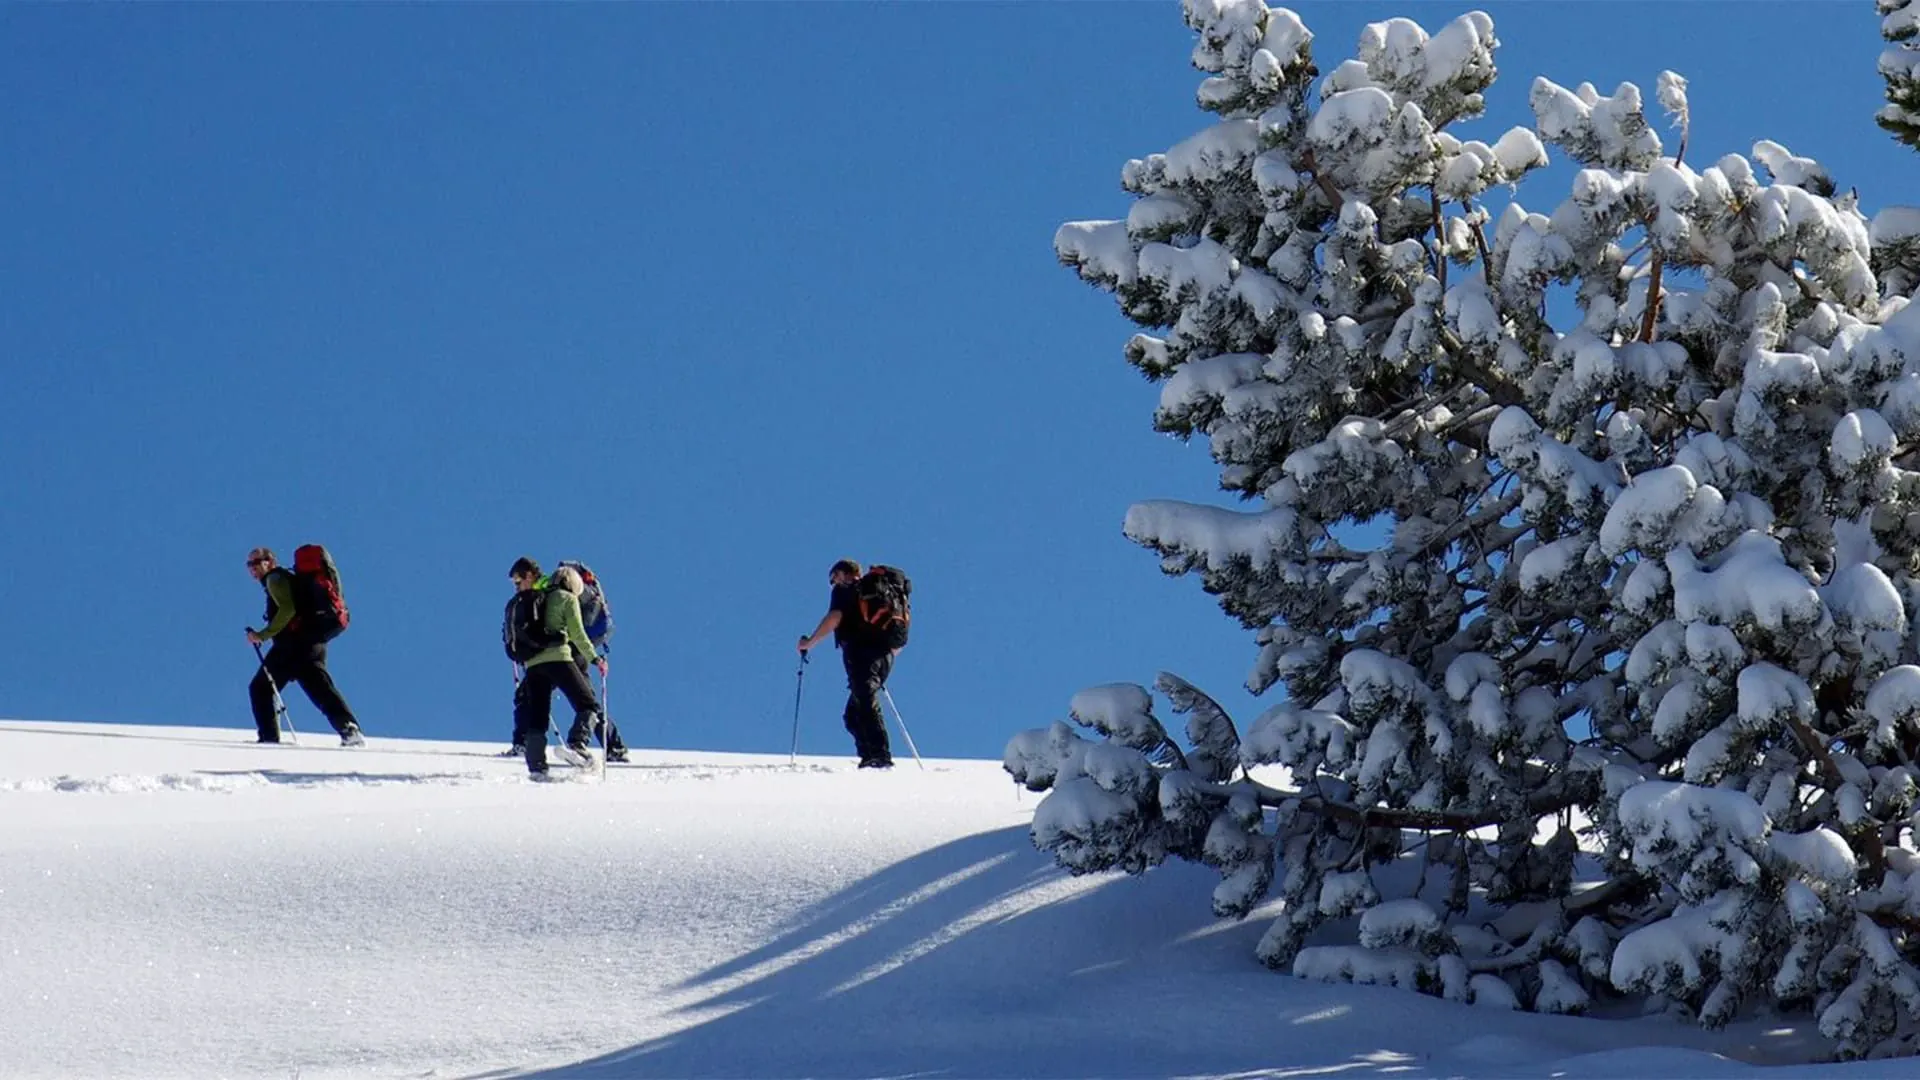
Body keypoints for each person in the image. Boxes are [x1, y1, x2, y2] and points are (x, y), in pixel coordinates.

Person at [244, 547, 364, 747]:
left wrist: (262, 635)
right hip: (311, 643)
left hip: (294, 645)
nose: (252, 568)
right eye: (249, 565)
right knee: (319, 688)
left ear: (270, 561)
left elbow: (288, 610)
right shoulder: (287, 579)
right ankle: (349, 728)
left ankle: (269, 740)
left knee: (261, 688)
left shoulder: (275, 579)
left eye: (257, 562)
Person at [504, 557, 604, 779]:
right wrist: (596, 659)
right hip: (559, 660)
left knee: (538, 715)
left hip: (533, 665)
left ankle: (536, 766)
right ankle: (578, 744)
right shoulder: (567, 599)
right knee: (588, 704)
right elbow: (577, 635)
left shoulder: (539, 597)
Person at [797, 558, 894, 768]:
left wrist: (809, 643)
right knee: (853, 714)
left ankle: (879, 756)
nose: (833, 583)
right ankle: (870, 758)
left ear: (842, 573)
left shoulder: (845, 591)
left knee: (865, 702)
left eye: (833, 578)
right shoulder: (879, 594)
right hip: (885, 656)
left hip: (861, 654)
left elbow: (834, 617)